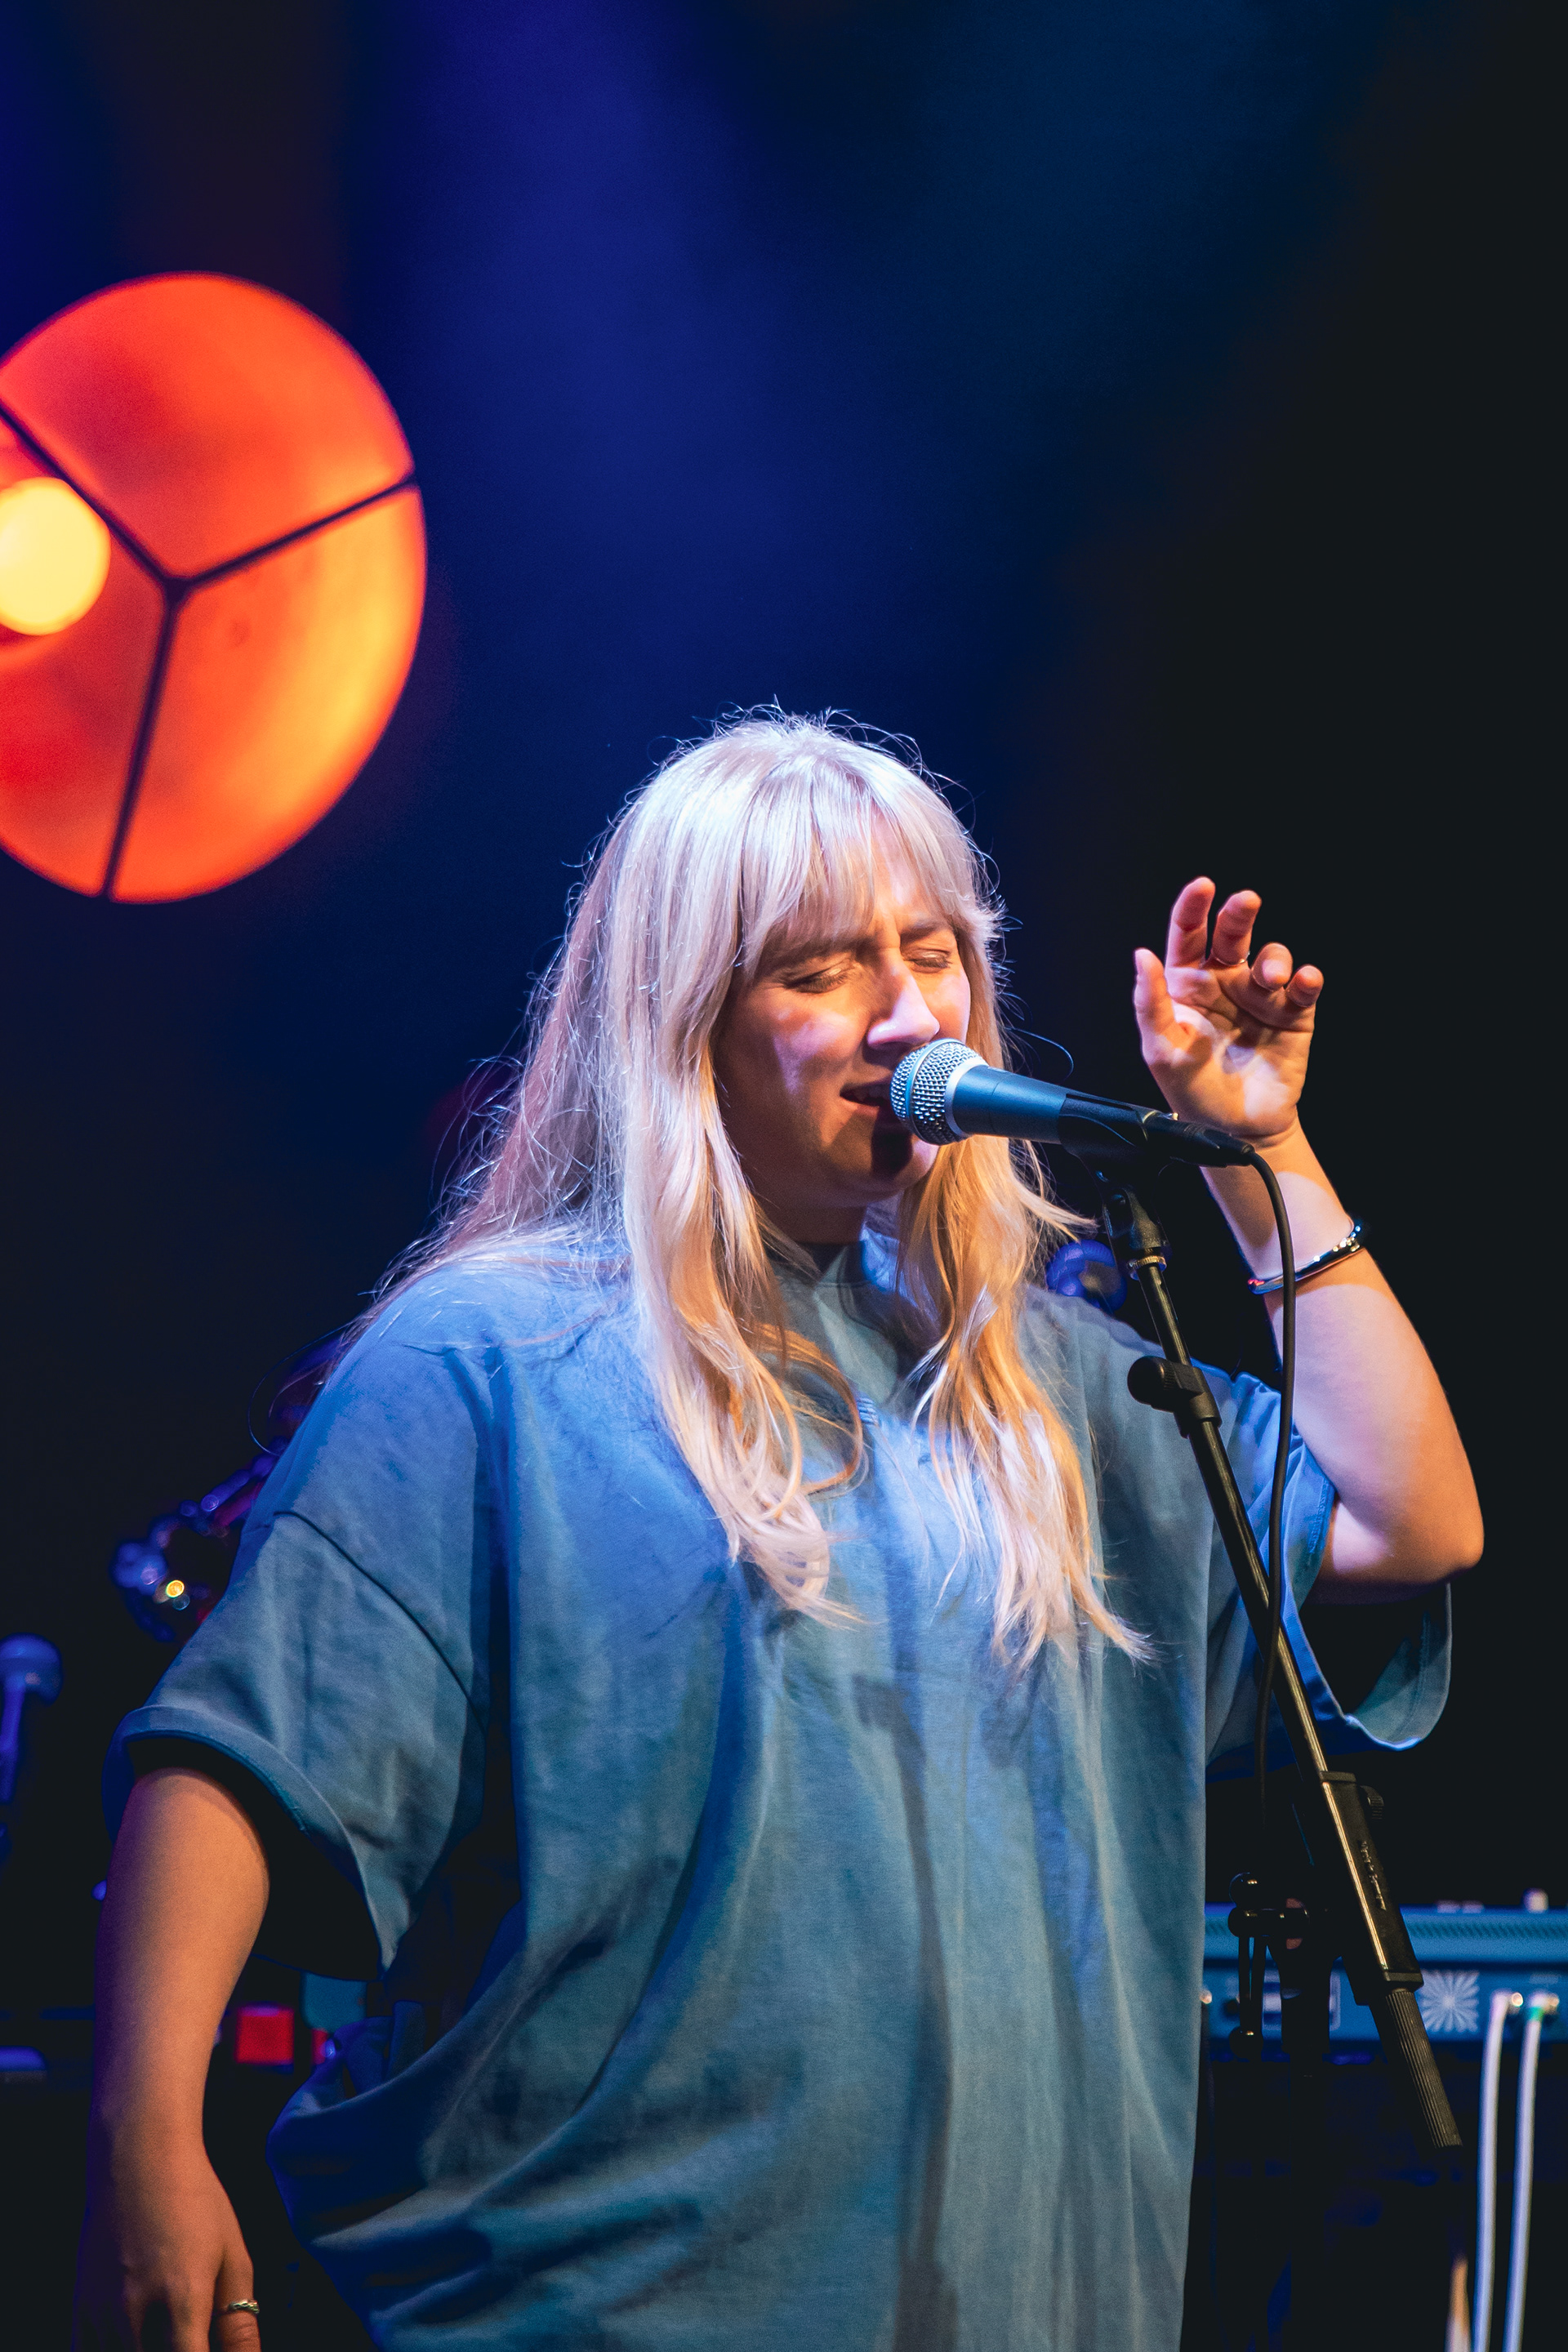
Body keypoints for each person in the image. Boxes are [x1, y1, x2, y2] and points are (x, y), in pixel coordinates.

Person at [75, 715, 1481, 2351]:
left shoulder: (1060, 1394)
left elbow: (1408, 1520)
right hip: (599, 2306)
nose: (907, 1013)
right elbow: (232, 1764)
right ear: (688, 1026)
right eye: (820, 969)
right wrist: (146, 2136)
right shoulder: (489, 1364)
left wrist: (1261, 1153)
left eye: (932, 953)